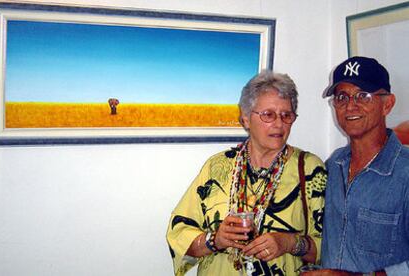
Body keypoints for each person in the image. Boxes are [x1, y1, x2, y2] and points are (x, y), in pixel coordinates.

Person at [166, 70, 327, 275]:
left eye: (286, 115)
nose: (279, 124)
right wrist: (214, 240)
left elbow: (332, 247)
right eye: (268, 114)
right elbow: (178, 232)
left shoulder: (310, 169)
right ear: (245, 119)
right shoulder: (218, 167)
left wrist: (291, 243)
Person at [309, 56, 409, 275]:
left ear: (387, 104)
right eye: (341, 97)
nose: (350, 106)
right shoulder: (334, 165)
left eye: (363, 95)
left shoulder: (405, 173)